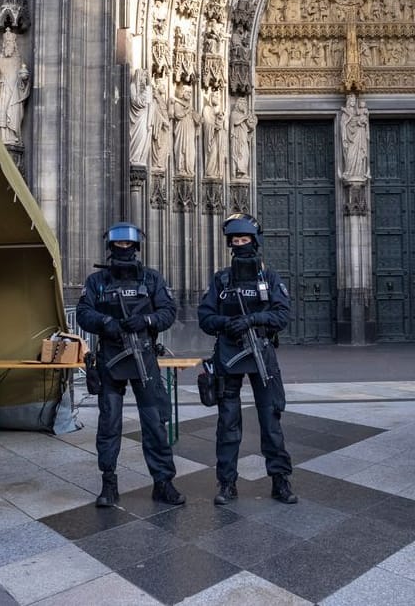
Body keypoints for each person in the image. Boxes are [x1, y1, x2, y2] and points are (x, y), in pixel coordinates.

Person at [76, 223, 184, 507]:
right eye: (118, 245)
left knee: (154, 424)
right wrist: (105, 322)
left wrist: (146, 320)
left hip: (144, 358)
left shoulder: (151, 279)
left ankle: (163, 482)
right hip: (111, 359)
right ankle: (108, 484)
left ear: (136, 248)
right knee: (109, 424)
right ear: (110, 247)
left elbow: (168, 311)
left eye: (128, 245)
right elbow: (84, 313)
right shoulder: (97, 281)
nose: (123, 249)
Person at [198, 214, 297, 506]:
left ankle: (280, 480)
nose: (240, 244)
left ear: (255, 242)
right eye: (236, 241)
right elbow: (205, 317)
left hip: (261, 355)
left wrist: (253, 319)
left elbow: (282, 315)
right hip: (229, 355)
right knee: (228, 423)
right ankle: (227, 483)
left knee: (270, 421)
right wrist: (225, 324)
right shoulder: (222, 279)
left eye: (245, 240)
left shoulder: (269, 278)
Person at [0, 29, 31, 146]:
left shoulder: (19, 60)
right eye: (6, 43)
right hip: (2, 93)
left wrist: (24, 79)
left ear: (14, 45)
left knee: (14, 115)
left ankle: (13, 137)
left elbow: (24, 78)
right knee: (2, 115)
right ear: (3, 45)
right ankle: (2, 137)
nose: (8, 45)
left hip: (14, 94)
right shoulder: (0, 60)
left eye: (10, 43)